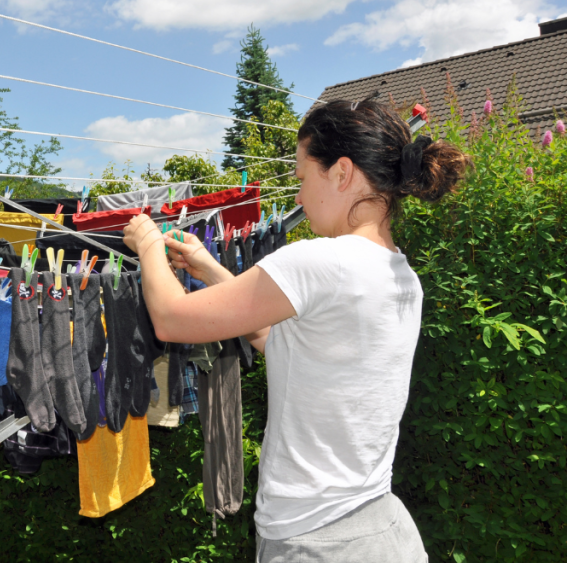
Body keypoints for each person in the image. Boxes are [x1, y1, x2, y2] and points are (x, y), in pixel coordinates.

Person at [123, 99, 470, 562]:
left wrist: (146, 243)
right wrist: (208, 269)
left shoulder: (318, 260)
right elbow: (281, 341)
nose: (299, 198)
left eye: (302, 178)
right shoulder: (401, 276)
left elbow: (170, 318)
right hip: (382, 530)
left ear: (342, 173)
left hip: (317, 541)